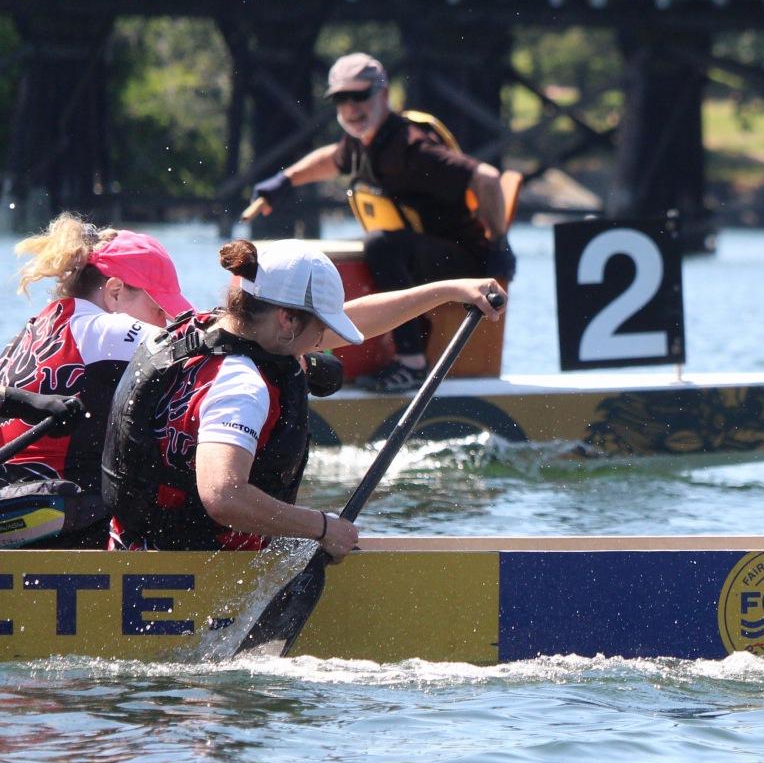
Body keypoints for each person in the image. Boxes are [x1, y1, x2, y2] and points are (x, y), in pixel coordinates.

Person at [101, 239, 505, 556]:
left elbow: (359, 318)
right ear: (287, 319)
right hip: (192, 576)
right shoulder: (241, 385)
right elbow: (224, 496)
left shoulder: (207, 329)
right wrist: (323, 528)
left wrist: (448, 291)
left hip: (138, 549)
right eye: (321, 328)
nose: (324, 343)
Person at [246, 52, 518, 392]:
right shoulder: (362, 142)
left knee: (381, 246)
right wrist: (282, 183)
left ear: (384, 95)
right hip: (422, 256)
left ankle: (412, 363)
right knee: (368, 246)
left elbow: (488, 178)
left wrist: (499, 243)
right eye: (342, 99)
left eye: (360, 96)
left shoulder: (410, 146)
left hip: (464, 261)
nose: (351, 108)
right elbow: (330, 159)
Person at [0, 215, 195, 546]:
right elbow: (195, 343)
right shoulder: (108, 328)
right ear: (115, 292)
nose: (164, 320)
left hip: (15, 503)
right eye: (159, 309)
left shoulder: (32, 328)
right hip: (54, 514)